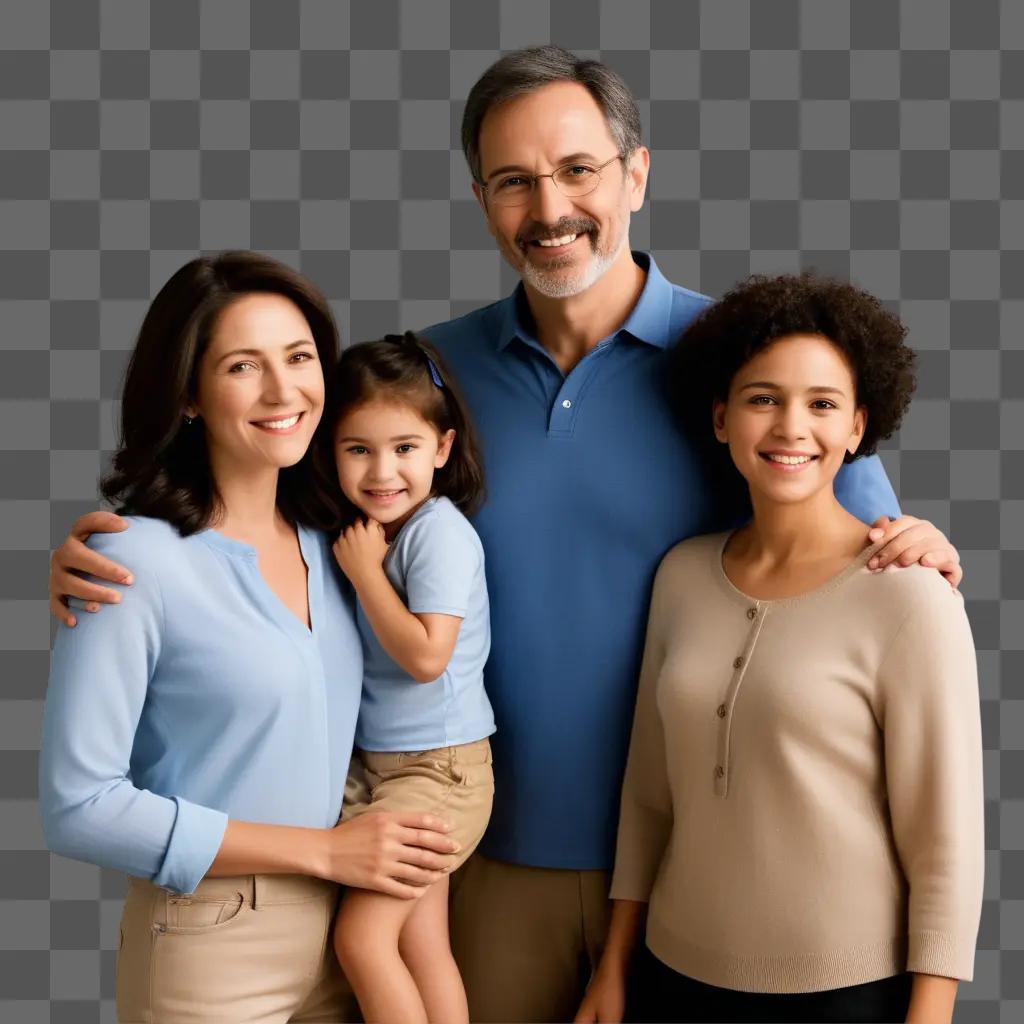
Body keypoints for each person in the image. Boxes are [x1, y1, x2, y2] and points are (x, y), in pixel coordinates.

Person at [48, 48, 964, 1023]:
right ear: (481, 196)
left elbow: (866, 565)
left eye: (577, 170)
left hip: (700, 881)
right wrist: (137, 541)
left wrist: (922, 547)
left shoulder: (747, 369)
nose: (550, 206)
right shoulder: (427, 376)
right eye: (514, 180)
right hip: (475, 858)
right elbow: (281, 490)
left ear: (636, 174)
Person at [39, 252, 459, 1024]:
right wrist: (322, 851)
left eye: (299, 358)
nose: (282, 390)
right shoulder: (132, 561)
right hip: (210, 947)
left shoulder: (343, 540)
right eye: (242, 365)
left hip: (348, 931)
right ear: (190, 394)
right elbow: (78, 806)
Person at [578, 274, 983, 1024]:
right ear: (722, 417)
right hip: (673, 977)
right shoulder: (682, 575)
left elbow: (946, 841)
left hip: (847, 996)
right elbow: (646, 796)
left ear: (858, 427)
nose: (791, 427)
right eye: (764, 398)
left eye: (822, 404)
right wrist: (615, 970)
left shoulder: (911, 594)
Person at [326, 333, 495, 1024]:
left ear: (443, 449)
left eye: (404, 448)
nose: (381, 471)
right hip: (389, 768)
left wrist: (366, 575)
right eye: (357, 449)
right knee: (424, 946)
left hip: (441, 770)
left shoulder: (437, 533)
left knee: (361, 941)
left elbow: (428, 656)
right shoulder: (367, 528)